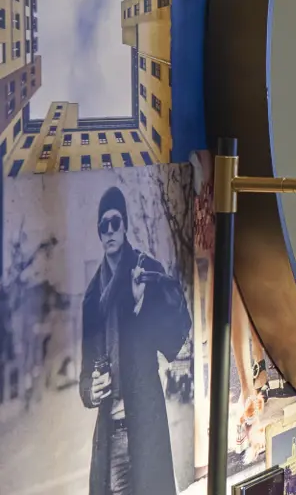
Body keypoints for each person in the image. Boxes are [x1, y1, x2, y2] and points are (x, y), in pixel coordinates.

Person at [80, 186, 190, 494]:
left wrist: (142, 304)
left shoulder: (145, 270)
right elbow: (84, 378)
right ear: (99, 233)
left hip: (145, 427)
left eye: (115, 222)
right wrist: (92, 389)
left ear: (125, 224)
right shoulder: (91, 299)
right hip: (111, 437)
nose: (110, 230)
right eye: (104, 225)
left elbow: (174, 340)